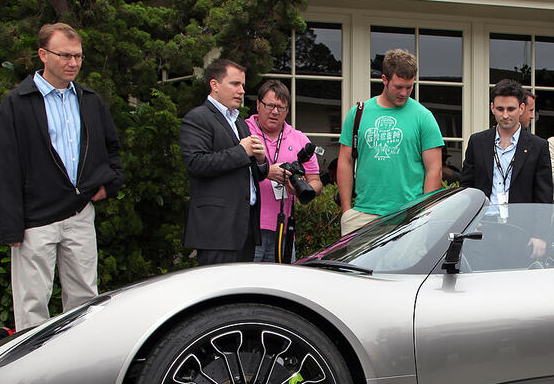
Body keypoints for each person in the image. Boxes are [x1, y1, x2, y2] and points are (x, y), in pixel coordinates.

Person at [0, 23, 124, 330]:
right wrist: (11, 229)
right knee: (31, 304)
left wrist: (110, 184)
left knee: (85, 302)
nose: (73, 63)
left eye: (77, 56)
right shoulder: (17, 103)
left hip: (80, 213)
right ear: (43, 54)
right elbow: (6, 167)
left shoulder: (90, 100)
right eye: (65, 55)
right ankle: (29, 373)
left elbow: (112, 147)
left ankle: (78, 367)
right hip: (34, 220)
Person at [337, 49, 444, 235]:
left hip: (409, 216)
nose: (404, 93)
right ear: (384, 79)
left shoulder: (423, 117)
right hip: (363, 214)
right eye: (398, 86)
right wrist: (347, 210)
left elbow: (434, 169)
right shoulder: (358, 113)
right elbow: (345, 161)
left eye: (409, 87)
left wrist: (424, 214)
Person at [180, 59, 269, 265]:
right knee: (217, 291)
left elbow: (254, 173)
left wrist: (261, 161)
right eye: (235, 84)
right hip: (216, 229)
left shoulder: (240, 123)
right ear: (214, 85)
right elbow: (196, 163)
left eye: (243, 85)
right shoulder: (197, 118)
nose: (242, 91)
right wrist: (241, 151)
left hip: (245, 226)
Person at [246, 79, 322, 262]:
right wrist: (266, 172)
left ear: (287, 111)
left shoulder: (299, 139)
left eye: (281, 107)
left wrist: (301, 188)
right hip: (248, 229)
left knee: (280, 287)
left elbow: (316, 181)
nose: (274, 112)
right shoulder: (243, 130)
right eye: (270, 105)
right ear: (258, 104)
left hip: (284, 229)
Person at [461, 79, 552, 205]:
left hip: (521, 223)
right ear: (492, 108)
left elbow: (544, 199)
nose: (505, 115)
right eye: (500, 109)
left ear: (521, 108)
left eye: (510, 109)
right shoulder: (477, 142)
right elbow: (466, 189)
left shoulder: (538, 147)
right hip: (483, 221)